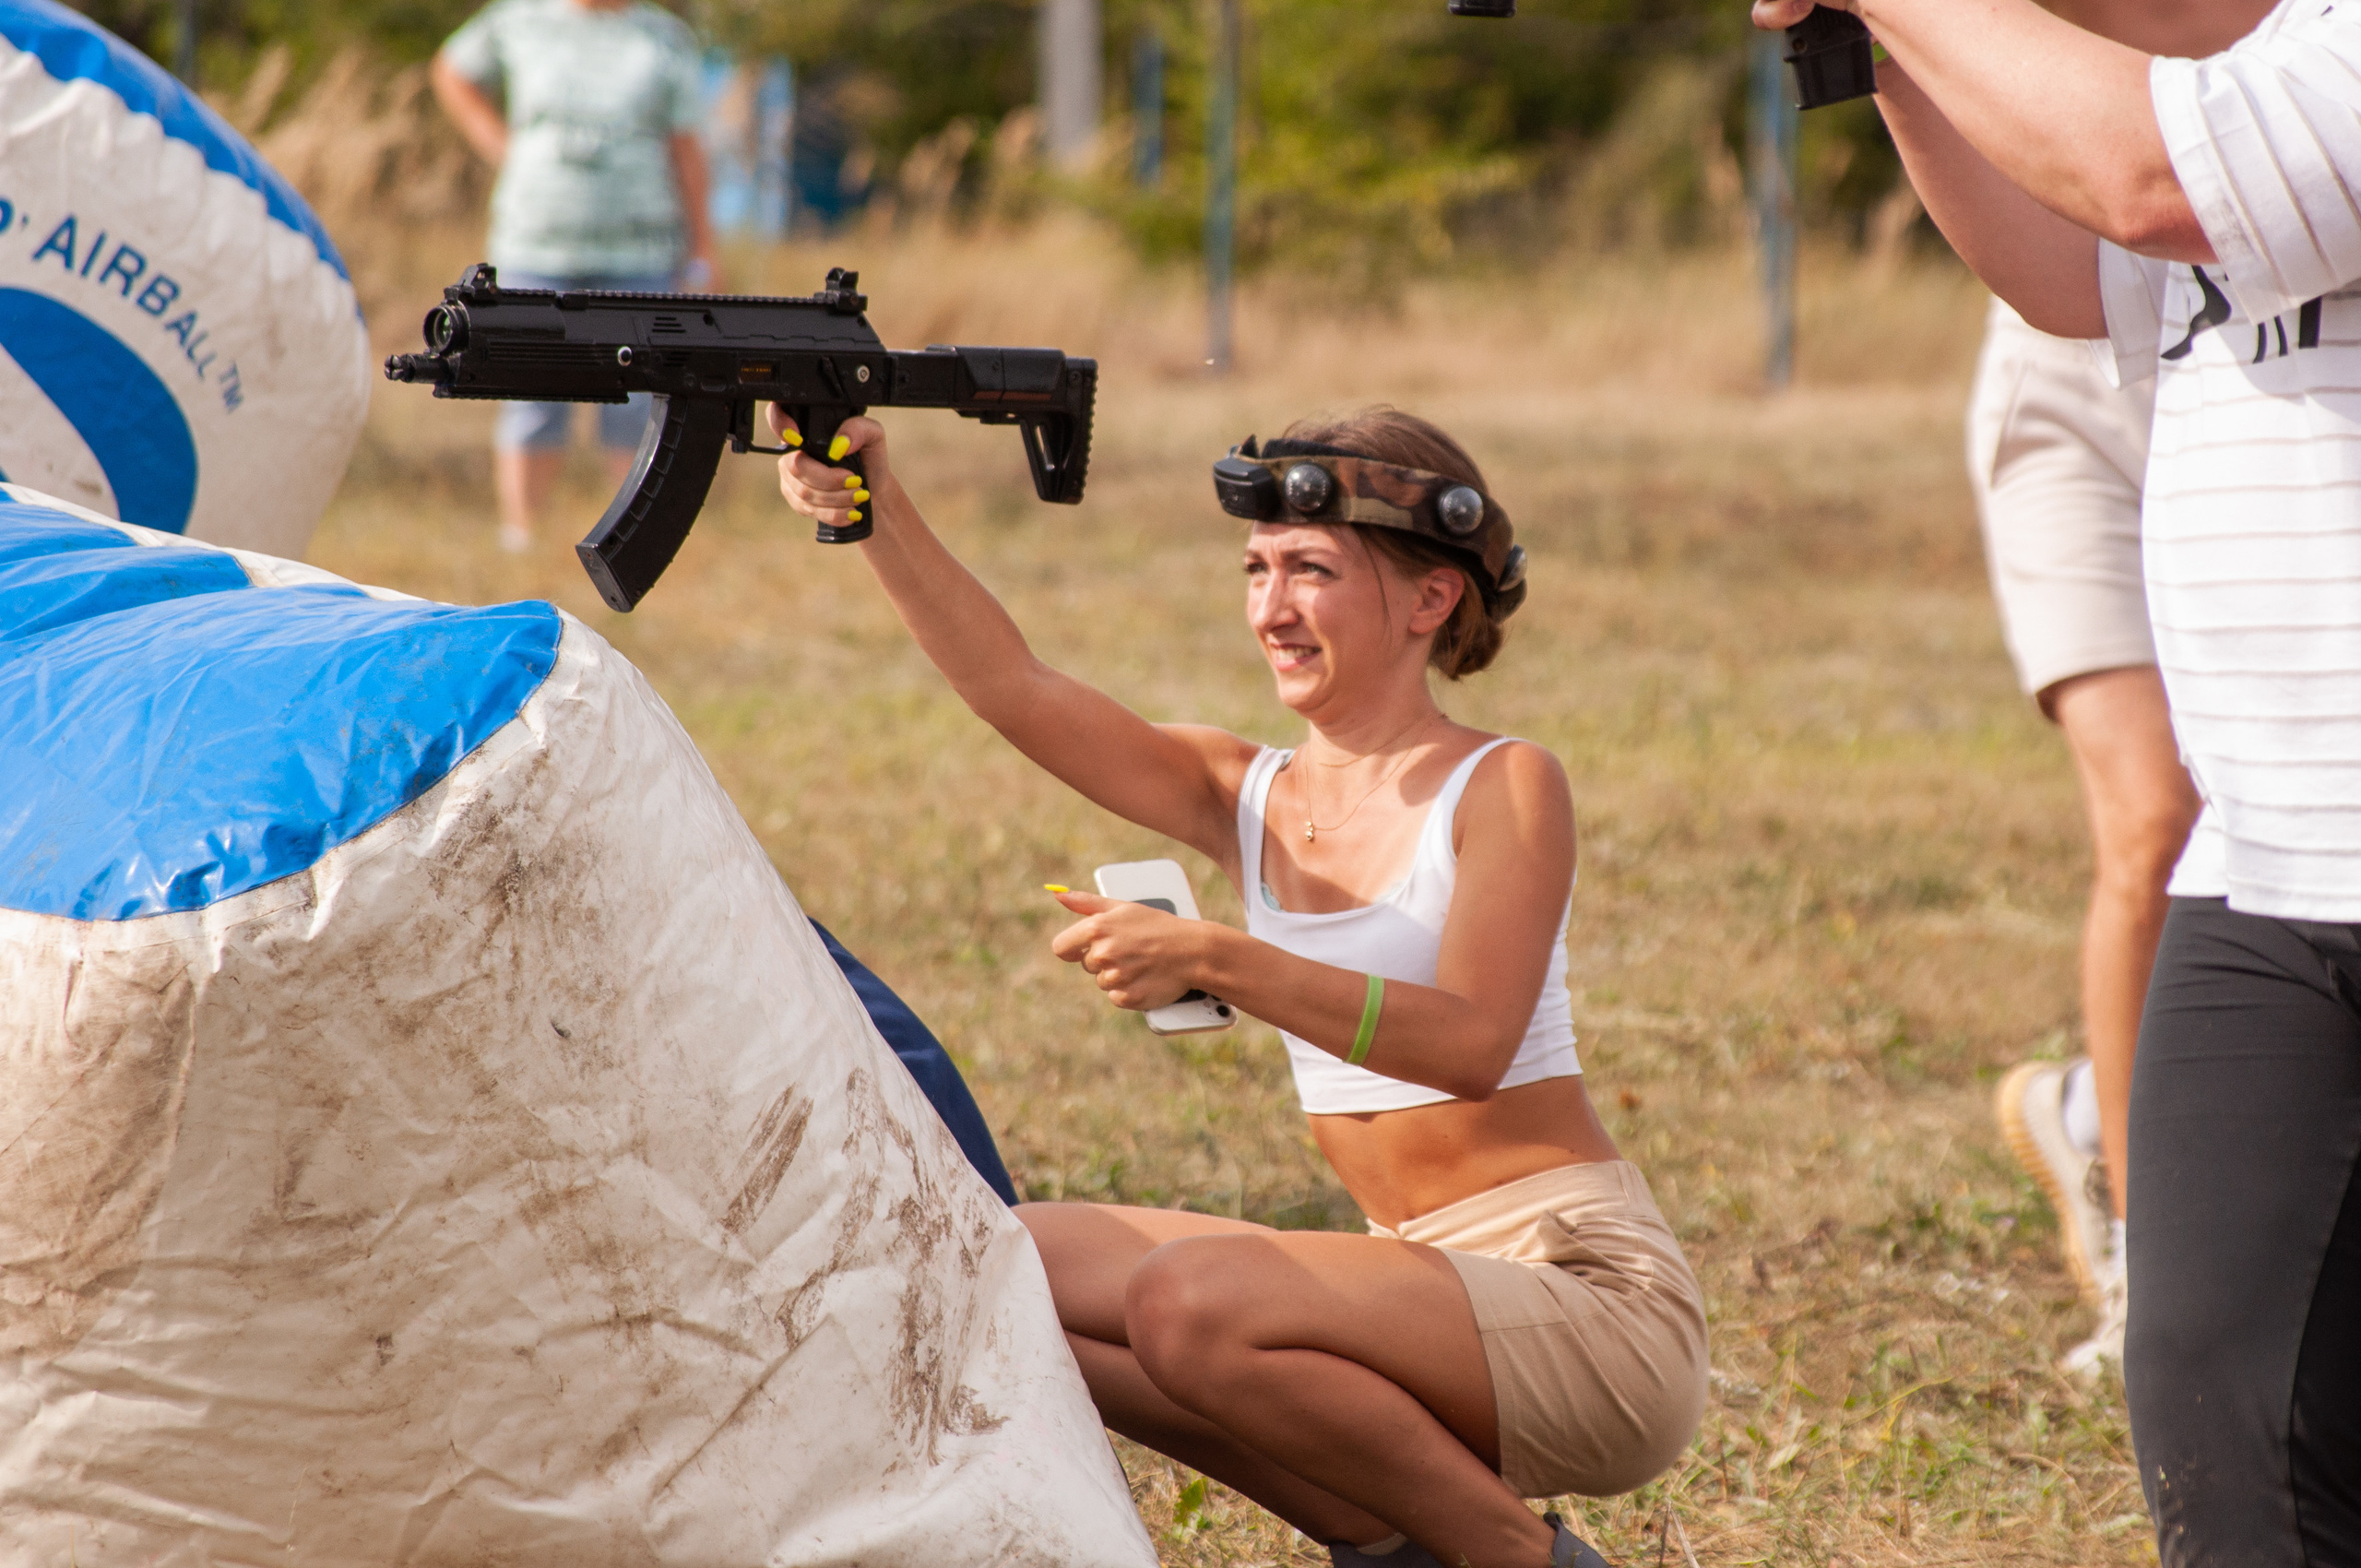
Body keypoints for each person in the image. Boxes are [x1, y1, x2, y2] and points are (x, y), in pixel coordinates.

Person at [773, 407, 1707, 1568]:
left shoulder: (1504, 782)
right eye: (1257, 569)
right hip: (1414, 1286)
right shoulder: (1241, 790)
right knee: (996, 1262)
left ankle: (1514, 1557)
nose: (1270, 606)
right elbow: (1012, 682)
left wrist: (1220, 957)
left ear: (1431, 601)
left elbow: (1470, 1042)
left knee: (1190, 1300)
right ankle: (1392, 1540)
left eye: (1312, 569)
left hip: (1581, 1298)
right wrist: (873, 507)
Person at [1751, 0, 2361, 1559]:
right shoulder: (2244, 72)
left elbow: (2146, 175)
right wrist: (1878, 50)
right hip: (2272, 861)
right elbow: (2079, 272)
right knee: (2222, 1409)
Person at [1975, 0, 2273, 1381]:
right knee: (2156, 817)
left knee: (2275, 812)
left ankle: (2104, 1106)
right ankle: (2156, 1266)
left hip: (2278, 338)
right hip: (2074, 361)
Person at [430, 0, 718, 554]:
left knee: (642, 394)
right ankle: (522, 535)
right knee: (530, 386)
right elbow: (453, 69)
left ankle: (633, 536)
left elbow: (686, 146)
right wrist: (499, 143)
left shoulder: (665, 39)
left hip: (640, 245)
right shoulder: (518, 21)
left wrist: (704, 245)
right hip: (536, 239)